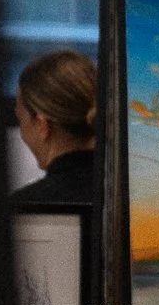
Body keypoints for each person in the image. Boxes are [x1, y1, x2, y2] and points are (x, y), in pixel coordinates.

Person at [10, 49, 98, 205]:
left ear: (42, 126)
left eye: (20, 120)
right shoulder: (135, 202)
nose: (22, 133)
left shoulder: (23, 209)